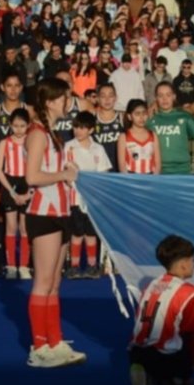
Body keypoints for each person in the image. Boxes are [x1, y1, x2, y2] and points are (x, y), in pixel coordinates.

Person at [24, 78, 86, 368]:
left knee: (55, 283)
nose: (67, 102)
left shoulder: (53, 133)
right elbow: (32, 177)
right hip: (44, 213)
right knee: (43, 281)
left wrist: (65, 171)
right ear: (50, 101)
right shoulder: (37, 133)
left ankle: (55, 341)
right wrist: (63, 175)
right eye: (63, 98)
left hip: (61, 212)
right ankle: (39, 347)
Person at [129, 234, 194, 385]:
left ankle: (149, 373)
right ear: (183, 264)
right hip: (164, 356)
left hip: (136, 353)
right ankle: (178, 382)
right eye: (193, 260)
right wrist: (187, 372)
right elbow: (189, 335)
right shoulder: (189, 291)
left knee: (163, 338)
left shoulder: (151, 285)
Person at [64, 111, 112, 279]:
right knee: (77, 232)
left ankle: (92, 265)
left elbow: (103, 174)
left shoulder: (98, 148)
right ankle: (74, 266)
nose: (78, 131)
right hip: (75, 197)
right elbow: (65, 171)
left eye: (83, 128)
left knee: (91, 233)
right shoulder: (68, 146)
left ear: (91, 130)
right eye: (76, 127)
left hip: (93, 199)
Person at [0, 108, 33, 279]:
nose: (18, 130)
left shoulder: (32, 142)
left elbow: (37, 168)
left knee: (25, 228)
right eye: (15, 126)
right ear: (10, 125)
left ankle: (24, 265)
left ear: (29, 126)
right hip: (10, 184)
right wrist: (11, 191)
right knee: (11, 226)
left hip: (28, 183)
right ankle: (11, 265)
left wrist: (29, 193)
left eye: (22, 126)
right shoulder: (5, 143)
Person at [147, 82, 194, 175]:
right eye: (160, 95)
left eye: (168, 95)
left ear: (174, 96)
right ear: (156, 98)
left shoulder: (185, 117)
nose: (164, 99)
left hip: (182, 171)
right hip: (158, 171)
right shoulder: (151, 120)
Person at [119, 100, 161, 175]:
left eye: (144, 113)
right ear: (129, 116)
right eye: (137, 114)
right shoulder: (124, 136)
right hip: (131, 179)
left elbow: (157, 163)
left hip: (150, 179)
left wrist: (154, 179)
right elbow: (122, 165)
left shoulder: (153, 135)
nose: (141, 117)